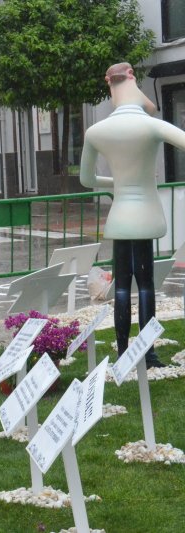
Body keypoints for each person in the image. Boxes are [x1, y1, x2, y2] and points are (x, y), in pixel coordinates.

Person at [79, 62, 185, 368]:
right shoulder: (151, 125)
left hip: (120, 216)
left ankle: (124, 350)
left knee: (122, 285)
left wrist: (117, 184)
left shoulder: (97, 131)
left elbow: (87, 180)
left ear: (109, 84)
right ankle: (148, 353)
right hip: (147, 215)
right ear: (132, 80)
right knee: (147, 284)